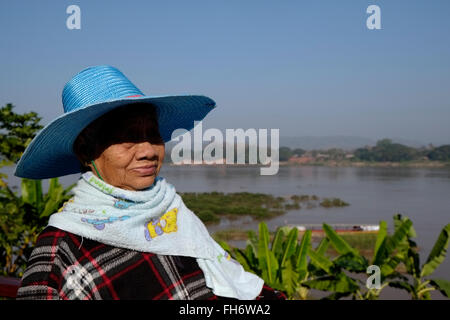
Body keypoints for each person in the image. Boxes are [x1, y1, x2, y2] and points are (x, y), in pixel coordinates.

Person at [15, 65, 285, 300]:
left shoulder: (170, 209)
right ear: (86, 152)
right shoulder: (62, 249)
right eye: (127, 138)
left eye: (154, 135)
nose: (149, 151)